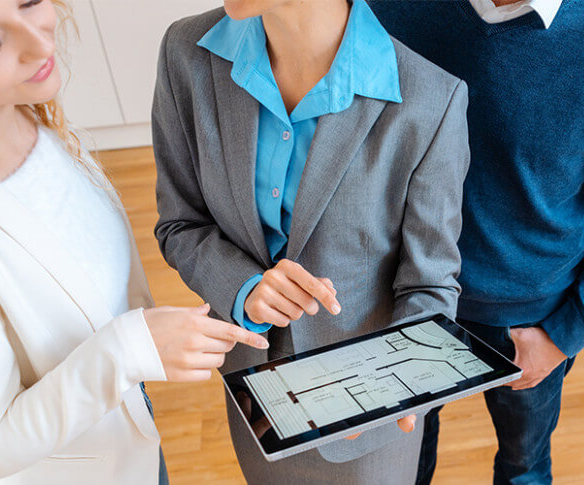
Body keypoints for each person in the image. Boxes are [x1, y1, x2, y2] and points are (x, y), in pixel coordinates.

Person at [0, 1, 269, 484]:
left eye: (31, 2)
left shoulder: (31, 120)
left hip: (127, 441)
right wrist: (127, 348)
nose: (39, 42)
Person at [150, 0, 470, 483]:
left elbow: (429, 284)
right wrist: (244, 287)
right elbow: (180, 224)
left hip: (366, 427)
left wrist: (402, 382)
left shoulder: (431, 99)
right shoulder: (186, 52)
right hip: (254, 395)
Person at [370, 0, 584, 483]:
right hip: (404, 298)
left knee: (524, 468)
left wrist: (567, 332)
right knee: (403, 465)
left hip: (532, 322)